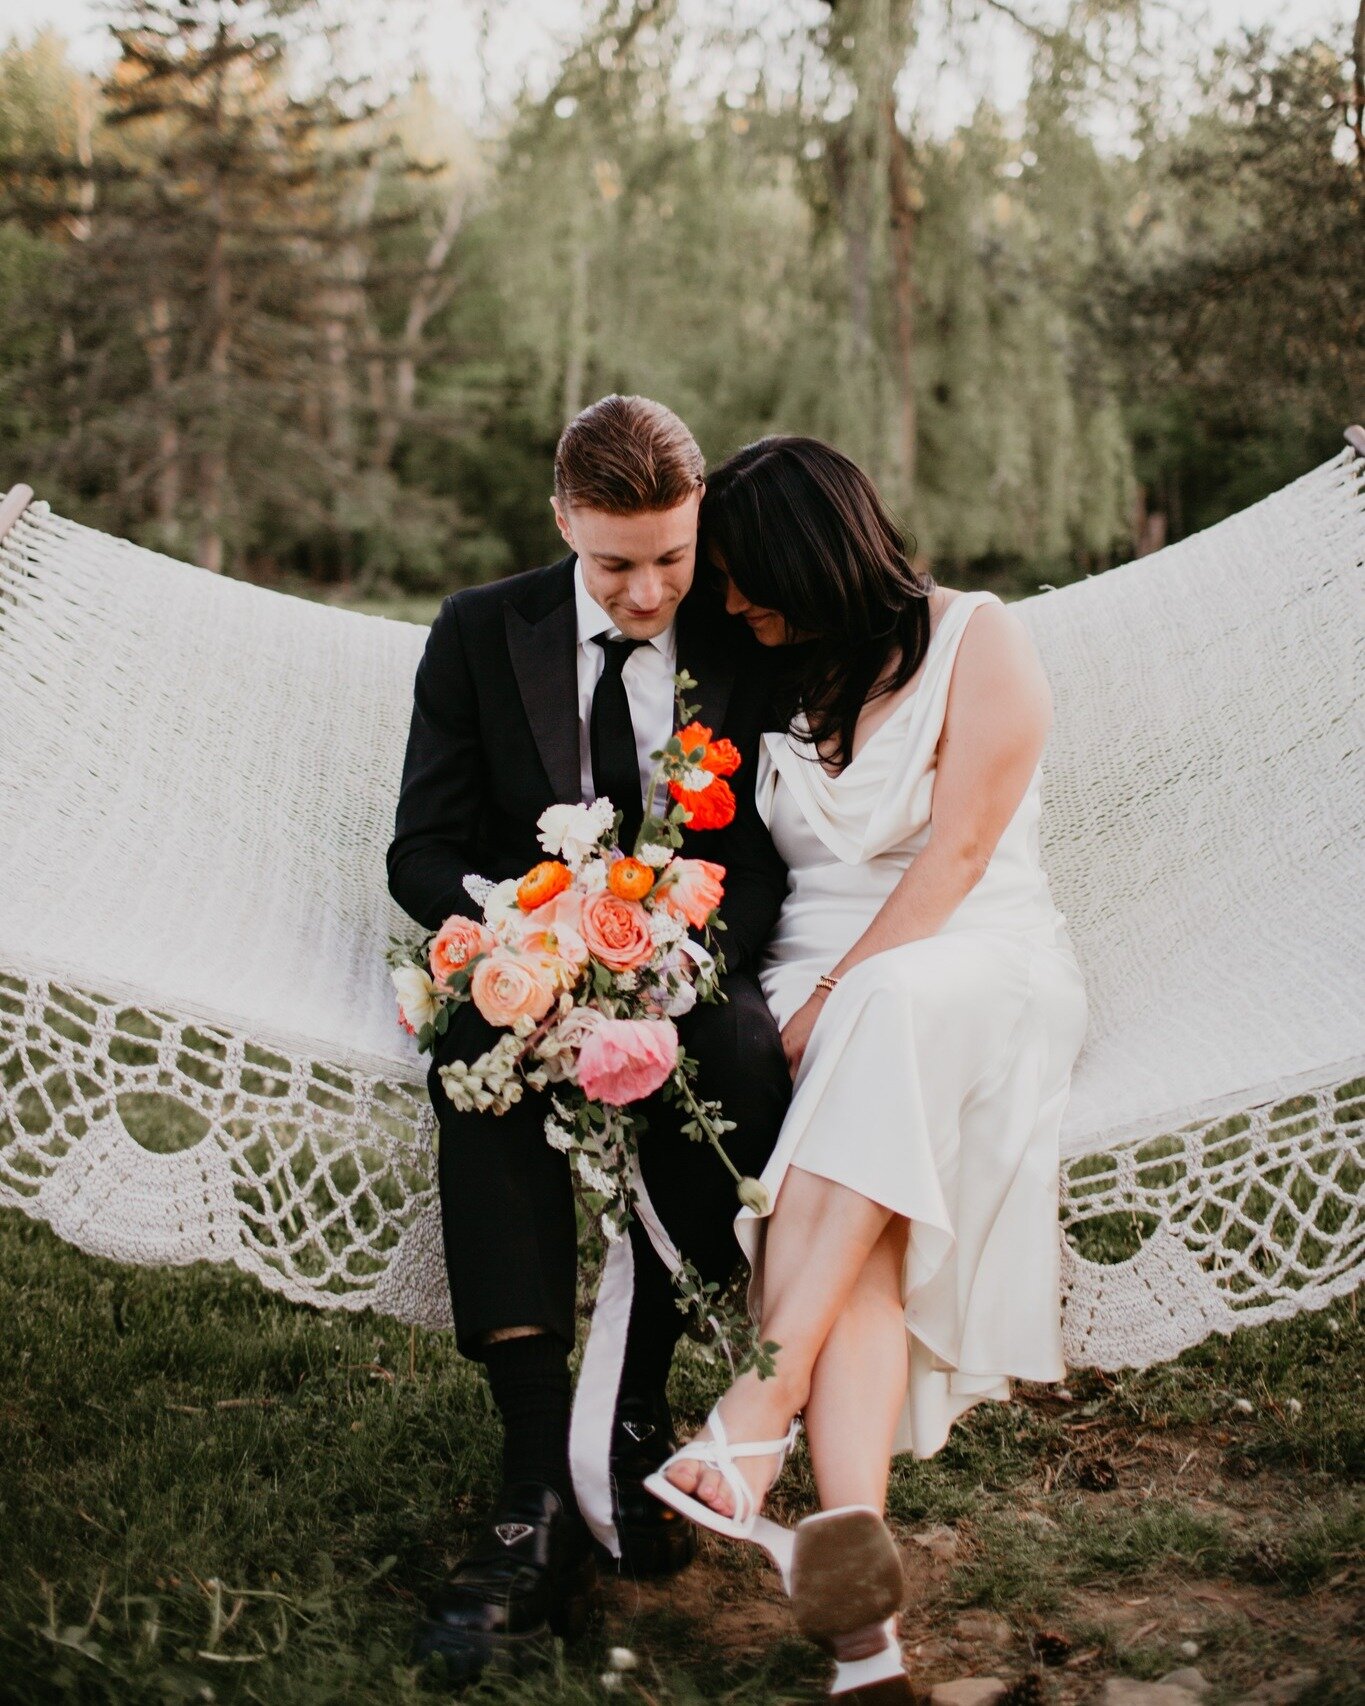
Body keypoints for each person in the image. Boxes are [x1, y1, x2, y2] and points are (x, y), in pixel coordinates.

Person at [646, 436, 1089, 1704]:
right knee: (866, 1233)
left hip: (972, 959)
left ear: (814, 554)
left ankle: (760, 1404)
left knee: (881, 1017)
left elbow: (953, 862)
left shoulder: (980, 638)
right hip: (811, 983)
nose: (729, 604)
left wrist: (836, 998)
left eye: (744, 575)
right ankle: (864, 1628)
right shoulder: (753, 670)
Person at [385, 395, 791, 1686]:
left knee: (731, 1056)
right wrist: (527, 935)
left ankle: (627, 1407)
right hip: (527, 947)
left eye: (671, 556)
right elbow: (422, 848)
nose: (648, 589)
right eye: (616, 561)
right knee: (474, 1058)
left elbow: (775, 852)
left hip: (692, 956)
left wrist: (676, 936)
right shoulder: (474, 633)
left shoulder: (736, 626)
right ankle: (527, 1477)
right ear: (561, 519)